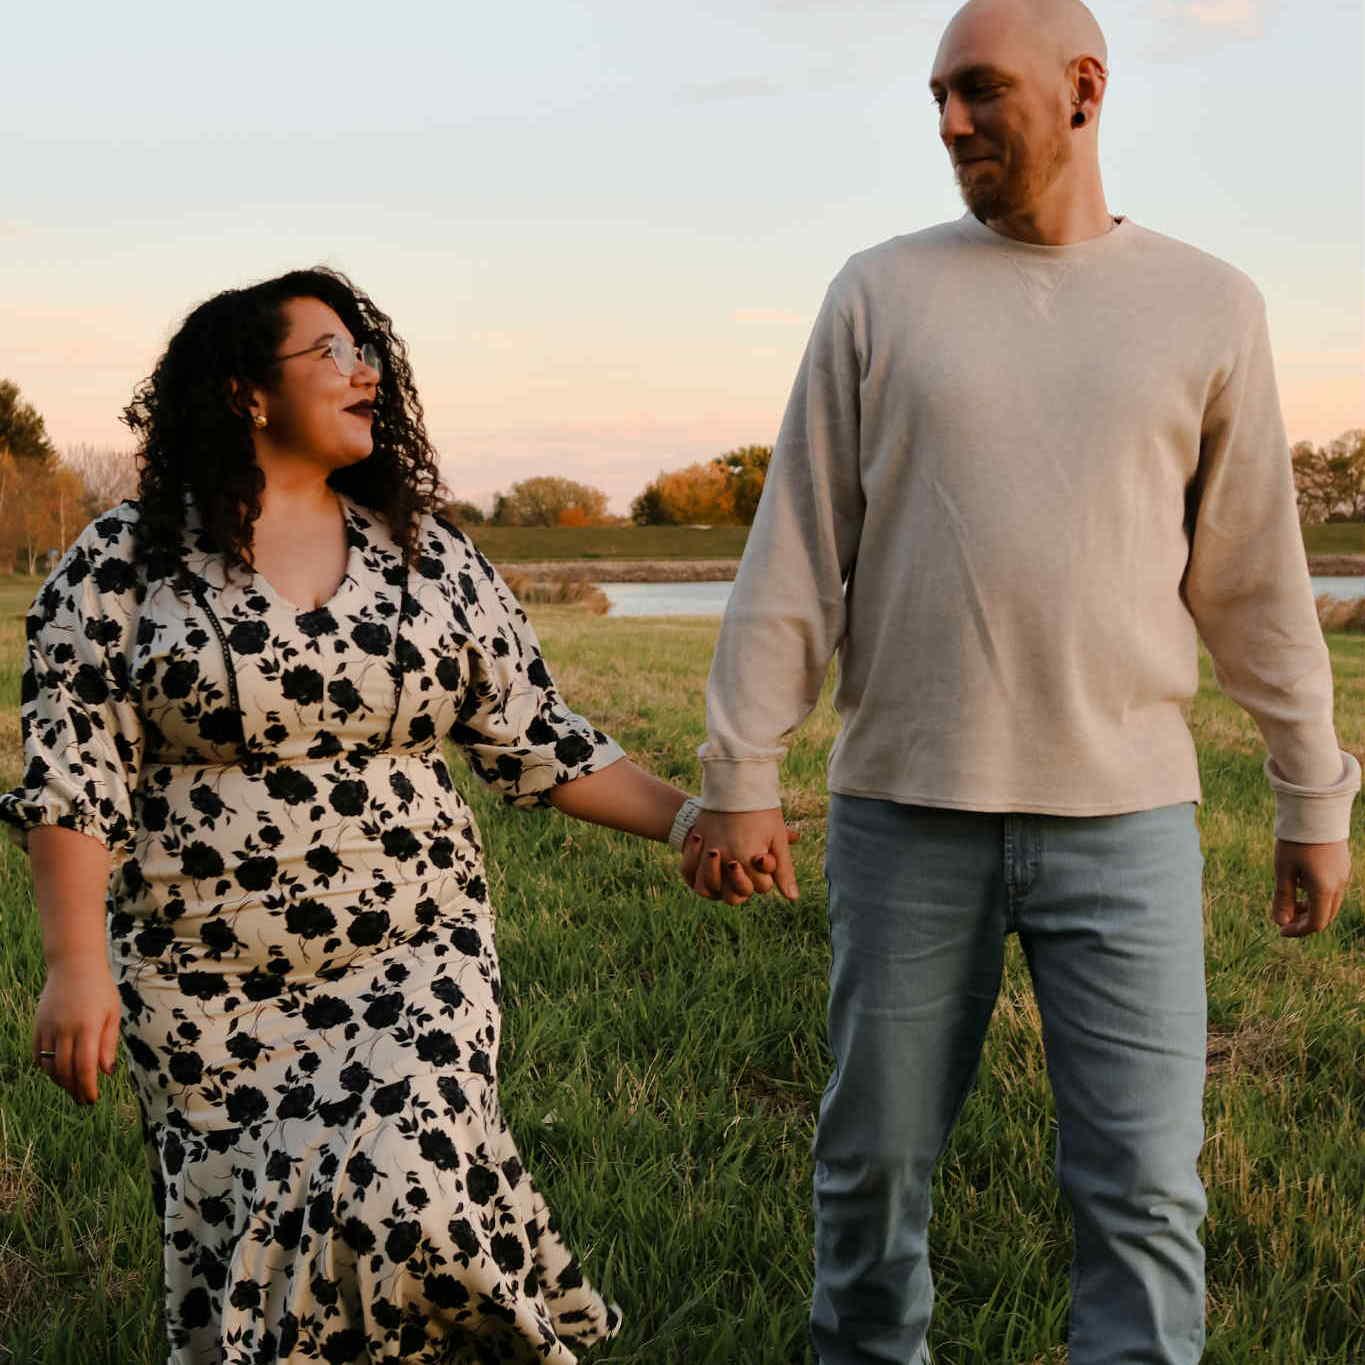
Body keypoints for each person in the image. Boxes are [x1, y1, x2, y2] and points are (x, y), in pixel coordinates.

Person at [679, 1, 1360, 1361]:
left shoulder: (1209, 304)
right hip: (905, 810)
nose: (949, 123)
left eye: (979, 90)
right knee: (871, 1174)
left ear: (1084, 89)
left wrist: (1312, 794)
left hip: (1127, 822)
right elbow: (798, 547)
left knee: (1146, 1192)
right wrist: (739, 767)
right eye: (936, 96)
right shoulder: (879, 293)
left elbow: (1252, 579)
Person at [2, 266, 722, 1364]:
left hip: (414, 948)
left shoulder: (427, 553)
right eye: (331, 351)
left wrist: (690, 821)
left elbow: (535, 731)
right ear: (246, 391)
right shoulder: (122, 563)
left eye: (367, 350)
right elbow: (73, 776)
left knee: (407, 1180)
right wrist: (74, 966)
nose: (366, 371)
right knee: (248, 1235)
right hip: (202, 982)